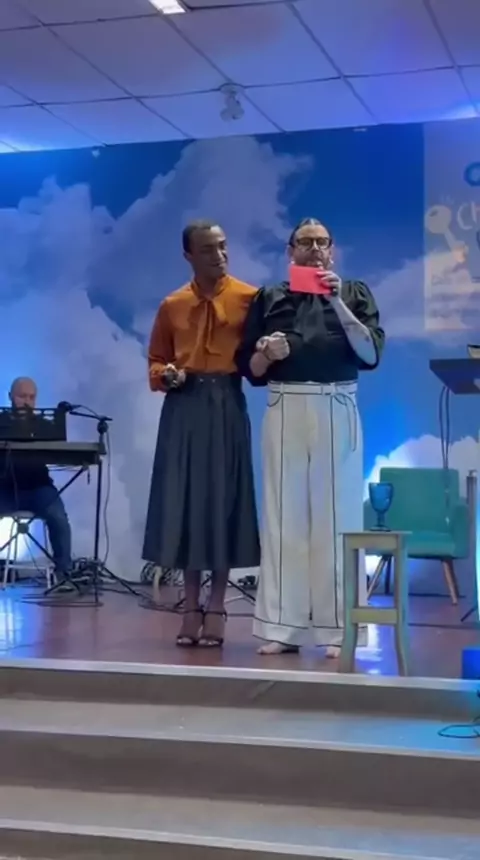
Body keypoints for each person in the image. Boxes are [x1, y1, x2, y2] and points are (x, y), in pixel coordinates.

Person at [236, 218, 385, 657]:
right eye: (306, 242)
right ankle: (282, 627)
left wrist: (336, 301)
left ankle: (339, 628)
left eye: (322, 242)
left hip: (336, 403)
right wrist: (266, 353)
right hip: (286, 404)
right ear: (291, 251)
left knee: (338, 519)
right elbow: (250, 369)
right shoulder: (270, 297)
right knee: (285, 517)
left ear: (332, 250)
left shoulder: (355, 293)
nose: (315, 249)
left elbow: (370, 353)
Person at [143, 220, 260, 649]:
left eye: (223, 246)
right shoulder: (172, 304)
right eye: (209, 249)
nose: (219, 255)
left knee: (223, 502)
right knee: (187, 502)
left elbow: (257, 360)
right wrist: (166, 375)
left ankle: (217, 605)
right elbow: (156, 360)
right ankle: (190, 606)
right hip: (184, 406)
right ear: (188, 255)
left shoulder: (249, 298)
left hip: (226, 402)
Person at [0, 377, 73, 579]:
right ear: (10, 397)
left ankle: (64, 574)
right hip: (4, 489)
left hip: (38, 489)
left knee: (58, 516)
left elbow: (61, 448)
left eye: (31, 397)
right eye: (22, 396)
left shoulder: (44, 425)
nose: (27, 402)